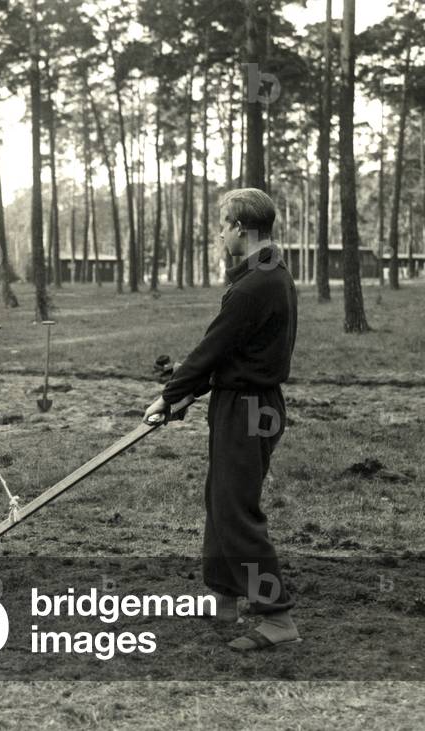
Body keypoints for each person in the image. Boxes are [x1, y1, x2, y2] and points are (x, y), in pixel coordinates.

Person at [143, 188, 299, 652]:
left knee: (236, 513)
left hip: (248, 408)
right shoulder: (267, 272)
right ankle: (228, 594)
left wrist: (170, 394)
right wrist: (187, 391)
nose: (219, 232)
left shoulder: (255, 285)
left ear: (238, 227)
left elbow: (214, 348)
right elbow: (232, 352)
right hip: (248, 401)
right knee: (221, 501)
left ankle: (276, 617)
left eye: (222, 224)